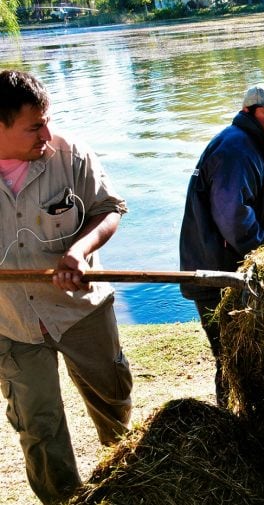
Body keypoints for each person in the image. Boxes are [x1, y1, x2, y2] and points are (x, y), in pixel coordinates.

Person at [0, 70, 132, 504]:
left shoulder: (70, 155)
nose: (47, 132)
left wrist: (80, 250)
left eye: (48, 120)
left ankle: (131, 483)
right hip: (12, 325)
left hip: (82, 312)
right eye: (35, 126)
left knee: (113, 404)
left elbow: (109, 209)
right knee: (39, 427)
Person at [179, 82, 264, 408]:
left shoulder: (252, 144)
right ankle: (231, 423)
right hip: (219, 273)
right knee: (231, 355)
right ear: (248, 113)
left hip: (230, 267)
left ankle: (239, 416)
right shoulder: (237, 150)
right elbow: (234, 218)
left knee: (242, 352)